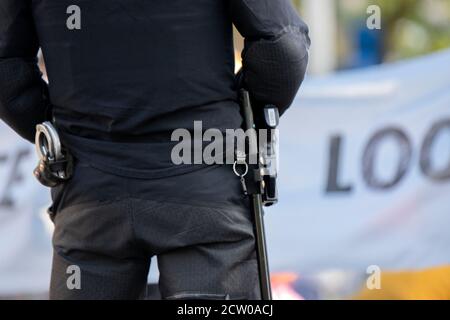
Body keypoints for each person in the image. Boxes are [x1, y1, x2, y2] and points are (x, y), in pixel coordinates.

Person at [0, 0, 310, 300]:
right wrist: (233, 121)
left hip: (89, 192)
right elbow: (282, 47)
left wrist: (62, 131)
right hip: (203, 182)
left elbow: (6, 68)